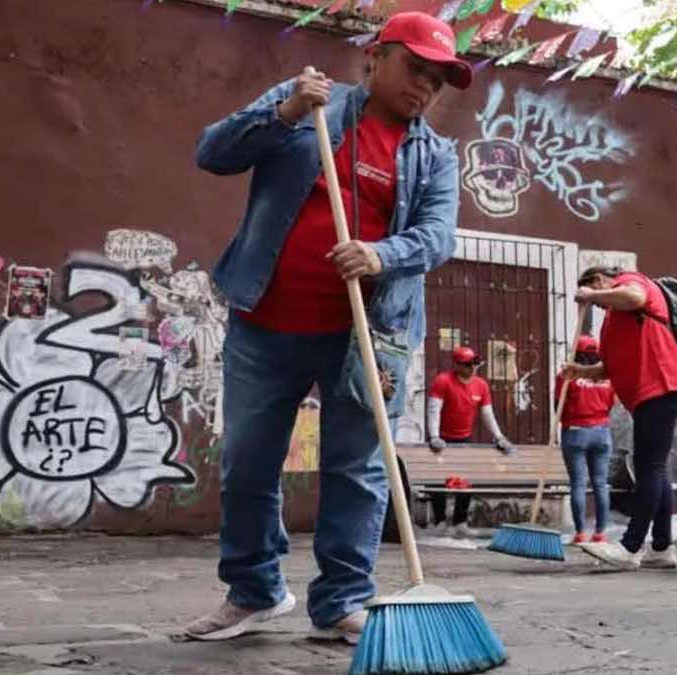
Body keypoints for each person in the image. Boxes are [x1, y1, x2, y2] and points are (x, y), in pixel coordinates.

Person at [184, 11, 470, 643]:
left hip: (369, 336)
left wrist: (380, 254)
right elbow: (213, 152)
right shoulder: (308, 101)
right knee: (248, 463)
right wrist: (284, 113)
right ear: (376, 55)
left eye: (437, 80)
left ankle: (342, 600)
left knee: (358, 472)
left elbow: (438, 236)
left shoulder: (435, 157)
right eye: (414, 68)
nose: (424, 86)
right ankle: (255, 591)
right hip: (266, 322)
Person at [567, 267, 677, 571]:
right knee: (655, 467)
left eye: (595, 294)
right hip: (648, 392)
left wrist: (593, 295)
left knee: (648, 466)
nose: (597, 304)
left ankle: (630, 546)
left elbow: (634, 296)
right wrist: (580, 372)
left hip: (662, 384)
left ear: (599, 280)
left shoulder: (630, 282)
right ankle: (662, 548)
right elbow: (610, 368)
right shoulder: (612, 321)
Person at [427, 345, 515, 535]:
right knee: (436, 480)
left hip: (463, 438)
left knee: (466, 480)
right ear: (457, 365)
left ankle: (460, 521)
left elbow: (487, 414)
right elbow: (434, 409)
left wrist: (499, 437)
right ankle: (440, 521)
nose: (472, 368)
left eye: (474, 364)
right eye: (467, 365)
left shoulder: (481, 385)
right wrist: (434, 436)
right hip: (442, 438)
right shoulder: (443, 381)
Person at [556, 336, 617, 544]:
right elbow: (611, 403)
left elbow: (558, 404)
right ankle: (600, 533)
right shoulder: (607, 377)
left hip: (575, 431)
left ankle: (580, 533)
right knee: (601, 483)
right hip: (601, 431)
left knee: (578, 484)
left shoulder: (567, 375)